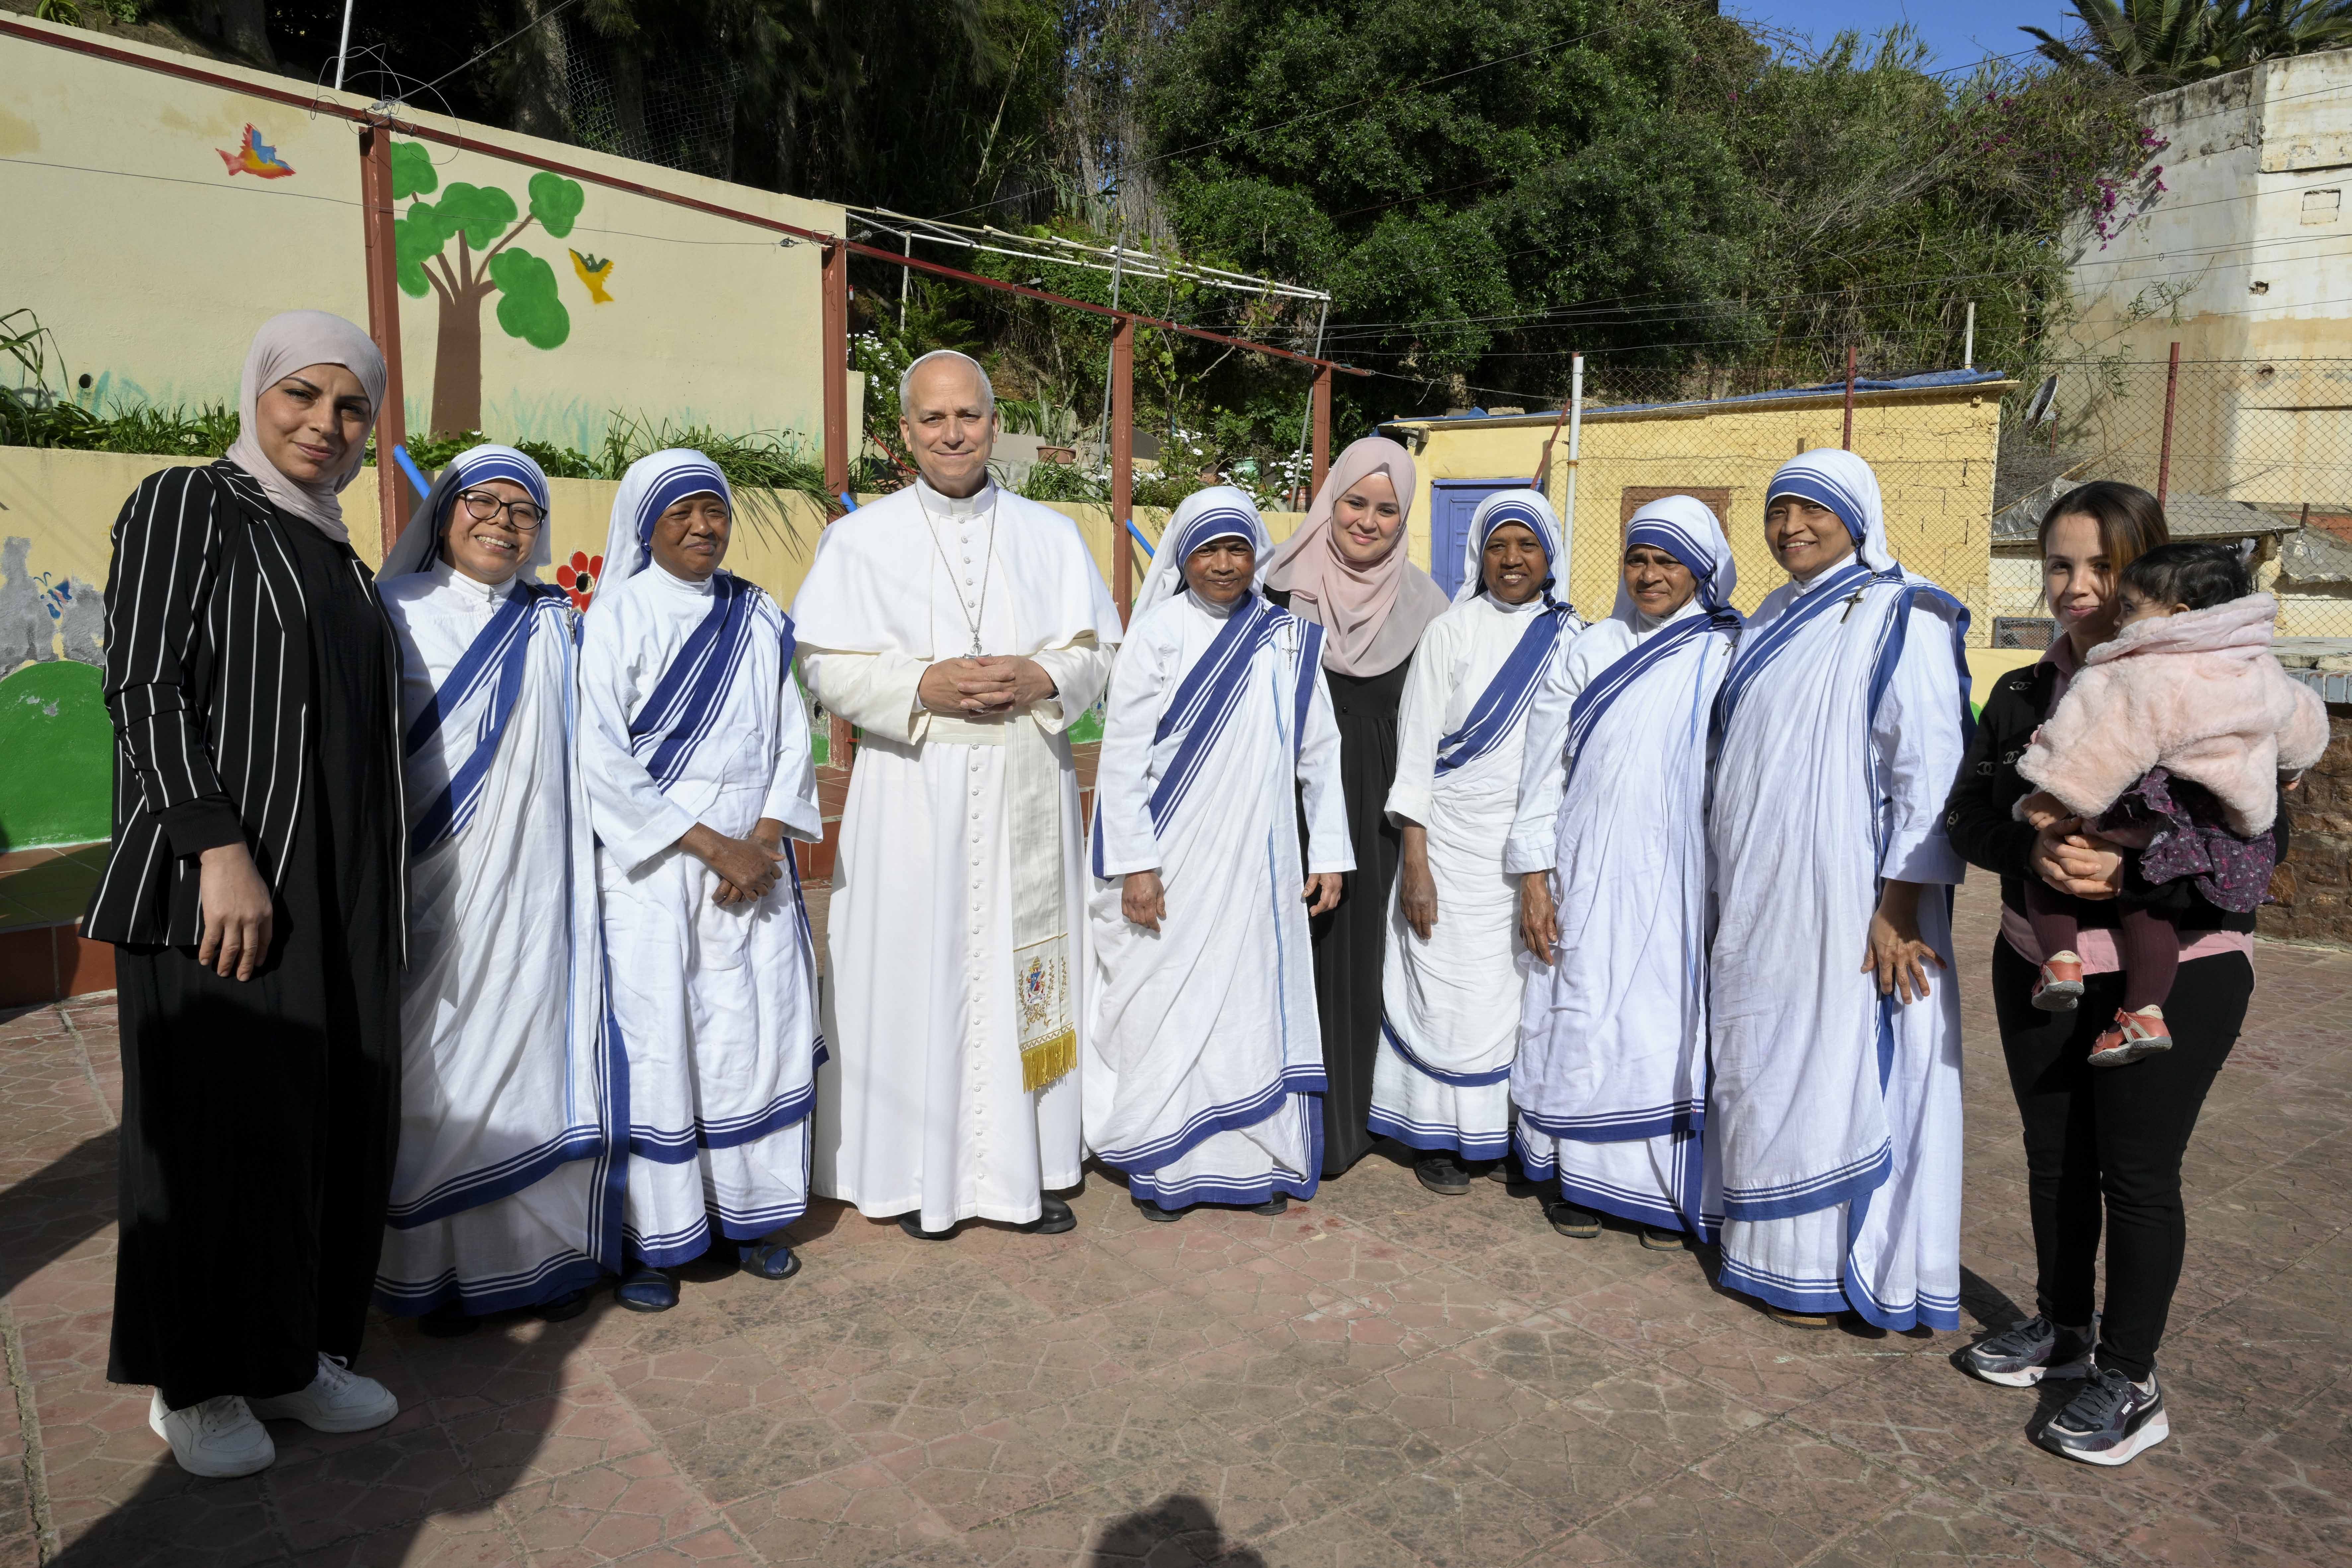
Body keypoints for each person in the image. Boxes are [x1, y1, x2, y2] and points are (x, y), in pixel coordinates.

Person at [89, 311, 405, 1478]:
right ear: (258, 395)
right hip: (222, 883)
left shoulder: (334, 549)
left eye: (350, 406)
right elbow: (140, 682)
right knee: (217, 1125)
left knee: (320, 1121)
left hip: (334, 885)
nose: (324, 424)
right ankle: (197, 1378)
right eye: (301, 397)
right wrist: (215, 844)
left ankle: (291, 1352)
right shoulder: (191, 502)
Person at [1943, 483, 2296, 1467]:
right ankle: (2062, 1328)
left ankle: (2131, 1376)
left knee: (2135, 1173)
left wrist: (2133, 866)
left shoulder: (2223, 679)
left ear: (2146, 571)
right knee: (2054, 1159)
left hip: (2177, 966)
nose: (2078, 588)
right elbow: (1968, 813)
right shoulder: (2023, 692)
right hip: (2042, 960)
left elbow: (2266, 838)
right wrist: (2035, 854)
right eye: (2059, 565)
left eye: (2101, 567)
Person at [796, 350, 1120, 1240]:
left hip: (1024, 774)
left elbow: (1099, 651)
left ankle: (1034, 1167)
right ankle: (910, 1172)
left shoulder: (1051, 536)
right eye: (933, 419)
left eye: (969, 417)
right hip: (913, 789)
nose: (952, 434)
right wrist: (917, 687)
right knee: (915, 965)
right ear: (904, 432)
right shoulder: (859, 540)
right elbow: (821, 660)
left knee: (1028, 962)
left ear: (993, 424)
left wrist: (1042, 674)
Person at [1706, 449, 1972, 1333]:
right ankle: (1761, 1247)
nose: (1792, 528)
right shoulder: (1770, 614)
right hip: (1758, 893)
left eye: (1812, 511)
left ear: (1859, 516)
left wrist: (1896, 903)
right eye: (1779, 512)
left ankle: (1837, 1262)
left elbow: (1928, 766)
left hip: (1851, 892)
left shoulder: (1904, 609)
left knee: (1838, 1058)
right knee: (1763, 1056)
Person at [373, 445, 618, 1336]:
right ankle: (426, 1270)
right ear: (444, 513)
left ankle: (536, 1257)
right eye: (485, 502)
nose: (504, 522)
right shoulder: (389, 610)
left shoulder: (558, 620)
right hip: (429, 884)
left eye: (525, 511)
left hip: (537, 886)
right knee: (435, 1059)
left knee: (533, 1053)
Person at [579, 450, 824, 1311]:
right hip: (658, 875)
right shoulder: (616, 616)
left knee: (752, 1034)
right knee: (658, 1043)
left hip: (753, 875)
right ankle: (652, 1236)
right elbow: (601, 757)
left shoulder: (757, 613)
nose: (702, 525)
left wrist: (760, 840)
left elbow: (792, 737)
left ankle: (751, 1217)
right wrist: (715, 847)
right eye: (680, 511)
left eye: (714, 509)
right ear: (645, 523)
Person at [1084, 488, 1350, 1219]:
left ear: (1257, 554)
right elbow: (1123, 758)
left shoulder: (1288, 638)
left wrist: (1327, 850)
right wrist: (1136, 865)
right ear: (1183, 557)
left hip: (1258, 866)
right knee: (1166, 1002)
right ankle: (1166, 1166)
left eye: (1237, 549)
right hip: (1173, 861)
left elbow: (1319, 751)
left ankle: (1251, 1163)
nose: (1225, 565)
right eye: (1208, 550)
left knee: (1247, 1008)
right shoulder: (1160, 631)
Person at [1509, 496, 1741, 1246]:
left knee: (1664, 1024)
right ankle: (1577, 1176)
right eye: (1638, 559)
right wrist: (1536, 875)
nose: (1649, 574)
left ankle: (1656, 1189)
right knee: (1580, 1009)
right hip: (1587, 865)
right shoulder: (1593, 645)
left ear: (1701, 571)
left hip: (1680, 874)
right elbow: (1541, 769)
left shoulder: (1729, 648)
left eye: (1667, 560)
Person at [2011, 543, 2325, 1066]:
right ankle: (2145, 1013)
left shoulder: (2141, 668)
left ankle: (2060, 961)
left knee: (2052, 860)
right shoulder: (2259, 665)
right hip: (2219, 824)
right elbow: (2301, 720)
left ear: (2178, 616)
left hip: (2146, 807)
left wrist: (2052, 790)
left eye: (2131, 607)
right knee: (2148, 905)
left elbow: (2104, 737)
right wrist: (2289, 769)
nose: (2120, 615)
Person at [1376, 489, 1583, 1194]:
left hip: (1532, 847)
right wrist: (1416, 860)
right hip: (1450, 841)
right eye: (1498, 546)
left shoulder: (1573, 638)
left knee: (1513, 994)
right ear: (1479, 555)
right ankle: (1432, 1132)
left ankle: (1494, 1132)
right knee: (1442, 988)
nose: (1512, 559)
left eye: (1526, 546)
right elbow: (1415, 755)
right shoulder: (1450, 631)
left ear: (1549, 554)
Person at [1260, 437, 1450, 1177]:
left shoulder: (1429, 605)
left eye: (1386, 509)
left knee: (1367, 957)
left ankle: (1356, 1120)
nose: (1367, 521)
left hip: (1377, 803)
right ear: (1329, 500)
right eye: (1354, 502)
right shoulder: (1277, 587)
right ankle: (1282, 1120)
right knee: (1288, 952)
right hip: (1283, 795)